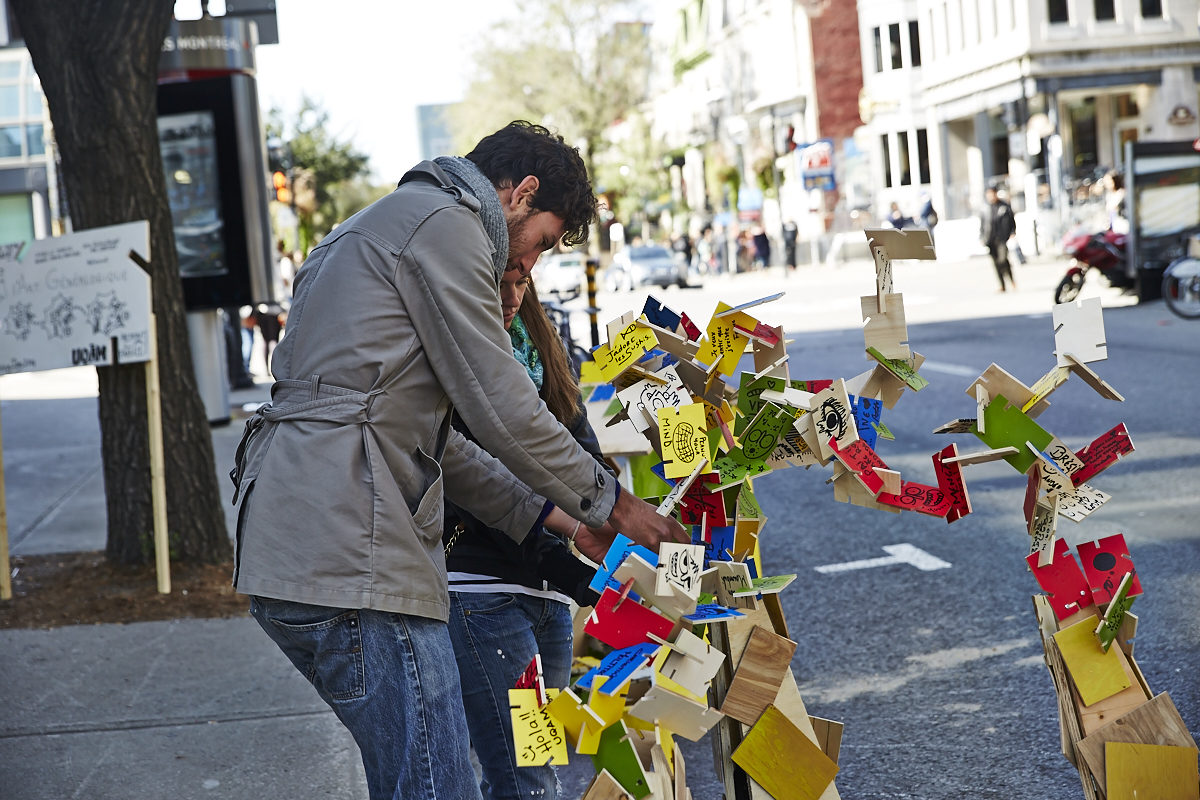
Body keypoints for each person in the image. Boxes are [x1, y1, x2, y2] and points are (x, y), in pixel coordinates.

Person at [230, 121, 687, 800]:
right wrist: (615, 505)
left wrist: (559, 520)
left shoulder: (377, 227)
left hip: (296, 545)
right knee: (439, 788)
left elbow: (441, 444)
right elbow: (501, 405)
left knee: (426, 783)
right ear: (521, 194)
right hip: (353, 554)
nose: (524, 269)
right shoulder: (447, 226)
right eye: (536, 245)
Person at [445, 271, 605, 800]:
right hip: (483, 595)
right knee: (527, 781)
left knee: (536, 773)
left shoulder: (542, 353)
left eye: (522, 281)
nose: (513, 296)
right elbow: (477, 485)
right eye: (499, 283)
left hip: (548, 596)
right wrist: (566, 559)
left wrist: (614, 503)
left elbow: (587, 462)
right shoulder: (453, 363)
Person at [984, 186, 1017, 292]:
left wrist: (1012, 232)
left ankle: (1011, 280)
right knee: (996, 263)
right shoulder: (985, 208)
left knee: (1003, 260)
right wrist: (982, 237)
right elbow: (983, 224)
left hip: (1002, 238)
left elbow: (1011, 220)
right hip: (990, 239)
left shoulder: (1004, 206)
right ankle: (1002, 285)